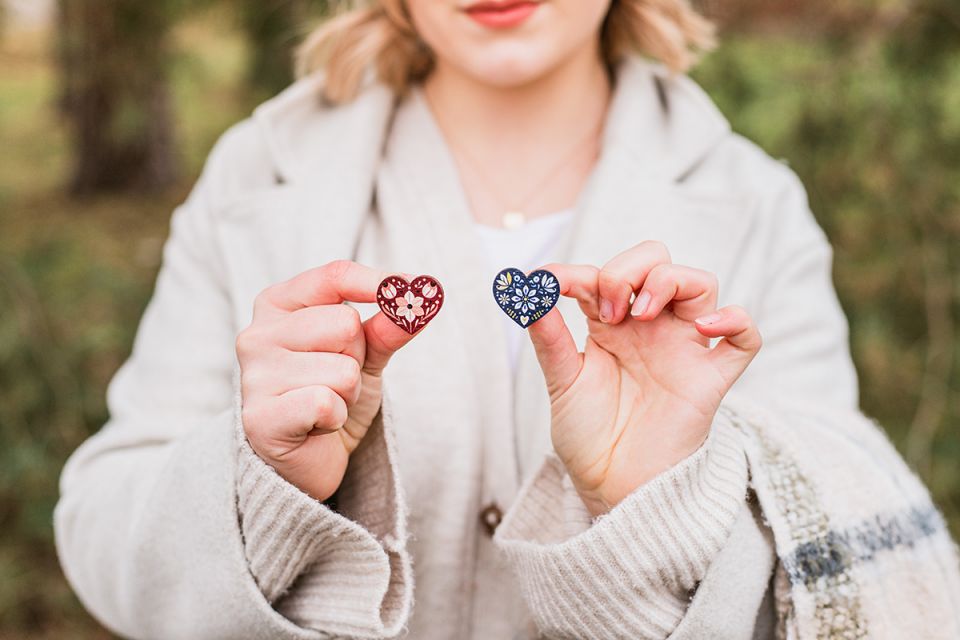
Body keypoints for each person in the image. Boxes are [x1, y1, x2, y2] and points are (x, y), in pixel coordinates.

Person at [53, 1, 960, 638]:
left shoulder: (753, 202)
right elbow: (103, 535)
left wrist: (664, 498)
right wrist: (267, 486)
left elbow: (848, 562)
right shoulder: (258, 181)